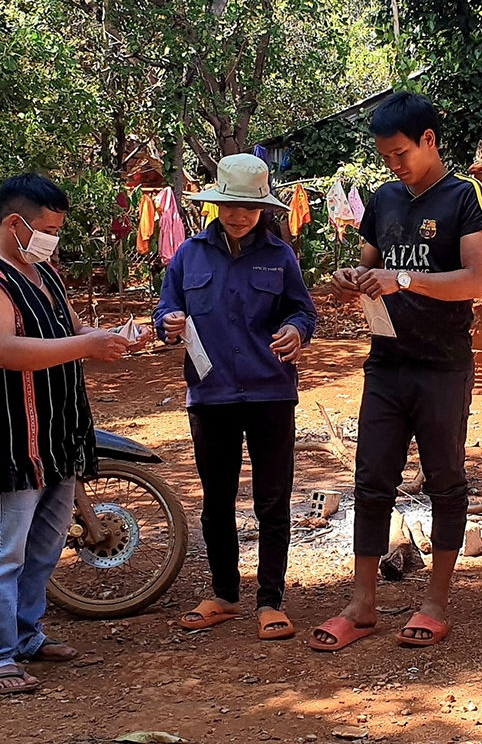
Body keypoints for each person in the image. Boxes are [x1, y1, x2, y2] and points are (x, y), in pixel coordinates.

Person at [313, 92, 482, 651]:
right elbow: (370, 272)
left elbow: (476, 282)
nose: (393, 164)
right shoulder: (383, 200)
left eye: (400, 153)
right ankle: (362, 603)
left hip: (442, 365)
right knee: (371, 482)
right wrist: (351, 283)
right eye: (385, 155)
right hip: (386, 363)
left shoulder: (467, 198)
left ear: (429, 140)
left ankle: (435, 601)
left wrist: (407, 280)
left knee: (446, 481)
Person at [0, 173, 148, 694]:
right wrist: (87, 347)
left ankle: (24, 637)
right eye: (48, 229)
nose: (53, 239)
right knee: (1, 553)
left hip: (59, 435)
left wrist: (111, 336)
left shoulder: (44, 273)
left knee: (43, 547)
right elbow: (4, 350)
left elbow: (70, 330)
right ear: (15, 223)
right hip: (12, 437)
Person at [154, 153, 317, 642]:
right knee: (217, 501)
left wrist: (295, 330)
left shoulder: (280, 256)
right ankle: (224, 594)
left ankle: (270, 600)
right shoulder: (189, 255)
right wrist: (169, 324)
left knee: (272, 501)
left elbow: (303, 313)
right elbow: (167, 309)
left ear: (262, 209)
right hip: (210, 396)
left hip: (270, 393)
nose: (239, 215)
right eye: (231, 205)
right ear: (216, 204)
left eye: (249, 207)